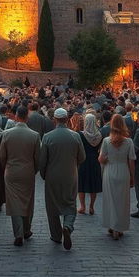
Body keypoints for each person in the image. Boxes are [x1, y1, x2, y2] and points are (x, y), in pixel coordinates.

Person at [39, 107, 85, 250]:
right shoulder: (75, 136)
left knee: (52, 206)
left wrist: (43, 174)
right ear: (66, 119)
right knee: (70, 203)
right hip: (70, 175)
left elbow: (42, 160)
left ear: (55, 120)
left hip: (52, 176)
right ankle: (68, 226)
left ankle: (56, 234)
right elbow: (82, 157)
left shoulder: (47, 137)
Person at [0, 104, 41, 246]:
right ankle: (27, 229)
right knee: (27, 201)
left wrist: (7, 166)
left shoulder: (7, 134)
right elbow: (38, 158)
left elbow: (2, 156)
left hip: (11, 171)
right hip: (28, 171)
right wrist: (33, 169)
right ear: (27, 117)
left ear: (16, 116)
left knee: (14, 202)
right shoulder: (34, 135)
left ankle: (18, 233)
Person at [99, 114, 136, 239]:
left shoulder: (106, 141)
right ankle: (119, 227)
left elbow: (101, 159)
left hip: (110, 171)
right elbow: (131, 160)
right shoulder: (129, 142)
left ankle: (112, 226)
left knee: (111, 200)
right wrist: (132, 176)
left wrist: (108, 158)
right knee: (122, 201)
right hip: (123, 171)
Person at [78, 113, 103, 215]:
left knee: (81, 185)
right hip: (95, 161)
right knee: (94, 184)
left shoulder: (81, 134)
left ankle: (82, 206)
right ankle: (91, 206)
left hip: (83, 161)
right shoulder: (99, 135)